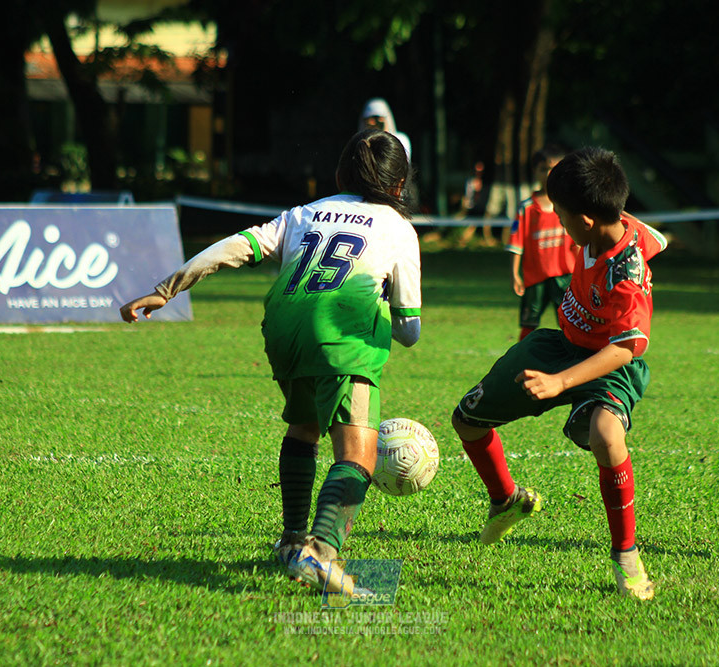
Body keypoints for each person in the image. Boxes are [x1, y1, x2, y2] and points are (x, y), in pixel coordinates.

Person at [120, 128, 421, 597]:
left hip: (282, 331)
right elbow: (409, 331)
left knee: (303, 430)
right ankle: (320, 552)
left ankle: (289, 540)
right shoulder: (398, 228)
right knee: (357, 454)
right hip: (341, 337)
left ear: (340, 173)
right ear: (399, 186)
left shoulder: (304, 213)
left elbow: (235, 247)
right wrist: (381, 309)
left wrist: (167, 288)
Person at [450, 147, 668, 601]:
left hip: (606, 364)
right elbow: (656, 236)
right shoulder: (603, 227)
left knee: (607, 435)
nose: (559, 224)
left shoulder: (627, 272)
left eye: (562, 216)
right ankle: (506, 499)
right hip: (559, 345)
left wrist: (562, 382)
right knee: (466, 419)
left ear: (586, 221)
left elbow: (626, 347)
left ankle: (626, 556)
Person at [507, 144, 576, 341]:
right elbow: (516, 243)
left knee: (570, 323)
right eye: (544, 168)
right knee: (529, 322)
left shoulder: (569, 204)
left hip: (565, 276)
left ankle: (573, 360)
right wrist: (514, 274)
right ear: (535, 171)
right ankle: (521, 358)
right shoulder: (527, 208)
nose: (549, 174)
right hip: (535, 277)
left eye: (554, 168)